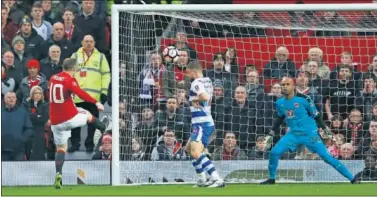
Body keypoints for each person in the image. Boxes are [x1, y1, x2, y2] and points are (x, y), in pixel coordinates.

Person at [260, 77, 359, 185]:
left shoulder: (305, 99)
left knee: (327, 157)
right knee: (274, 152)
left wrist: (329, 135)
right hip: (293, 134)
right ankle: (271, 179)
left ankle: (352, 179)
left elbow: (317, 117)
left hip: (310, 134)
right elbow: (279, 118)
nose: (284, 87)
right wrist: (271, 133)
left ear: (293, 86)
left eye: (287, 84)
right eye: (282, 85)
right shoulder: (280, 103)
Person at [49, 58, 109, 189]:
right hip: (68, 118)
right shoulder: (70, 80)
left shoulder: (53, 78)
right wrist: (96, 102)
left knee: (61, 149)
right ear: (74, 69)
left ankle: (59, 173)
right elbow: (81, 94)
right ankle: (103, 127)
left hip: (55, 122)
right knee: (87, 114)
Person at [184, 61, 225, 188]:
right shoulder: (207, 80)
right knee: (188, 150)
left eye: (188, 72)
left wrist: (195, 99)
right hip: (204, 120)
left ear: (193, 71)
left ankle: (217, 179)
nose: (187, 75)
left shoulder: (196, 83)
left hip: (202, 123)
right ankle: (202, 179)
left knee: (196, 153)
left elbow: (205, 97)